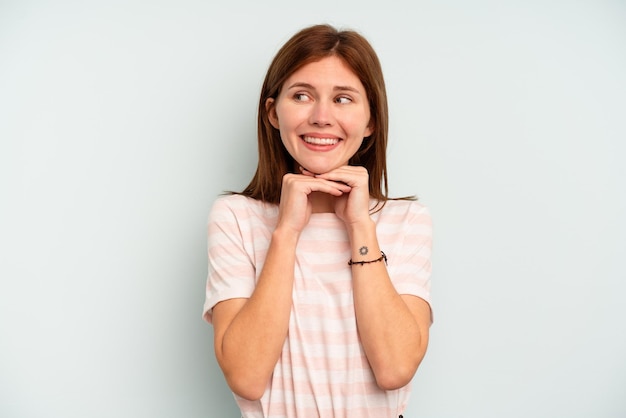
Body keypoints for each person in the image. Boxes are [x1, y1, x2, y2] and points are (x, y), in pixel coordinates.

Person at [203, 23, 433, 418]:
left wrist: (360, 225)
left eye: (343, 99)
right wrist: (286, 232)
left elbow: (395, 369)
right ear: (273, 113)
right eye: (302, 96)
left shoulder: (407, 221)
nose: (322, 117)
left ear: (371, 122)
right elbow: (246, 376)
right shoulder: (236, 217)